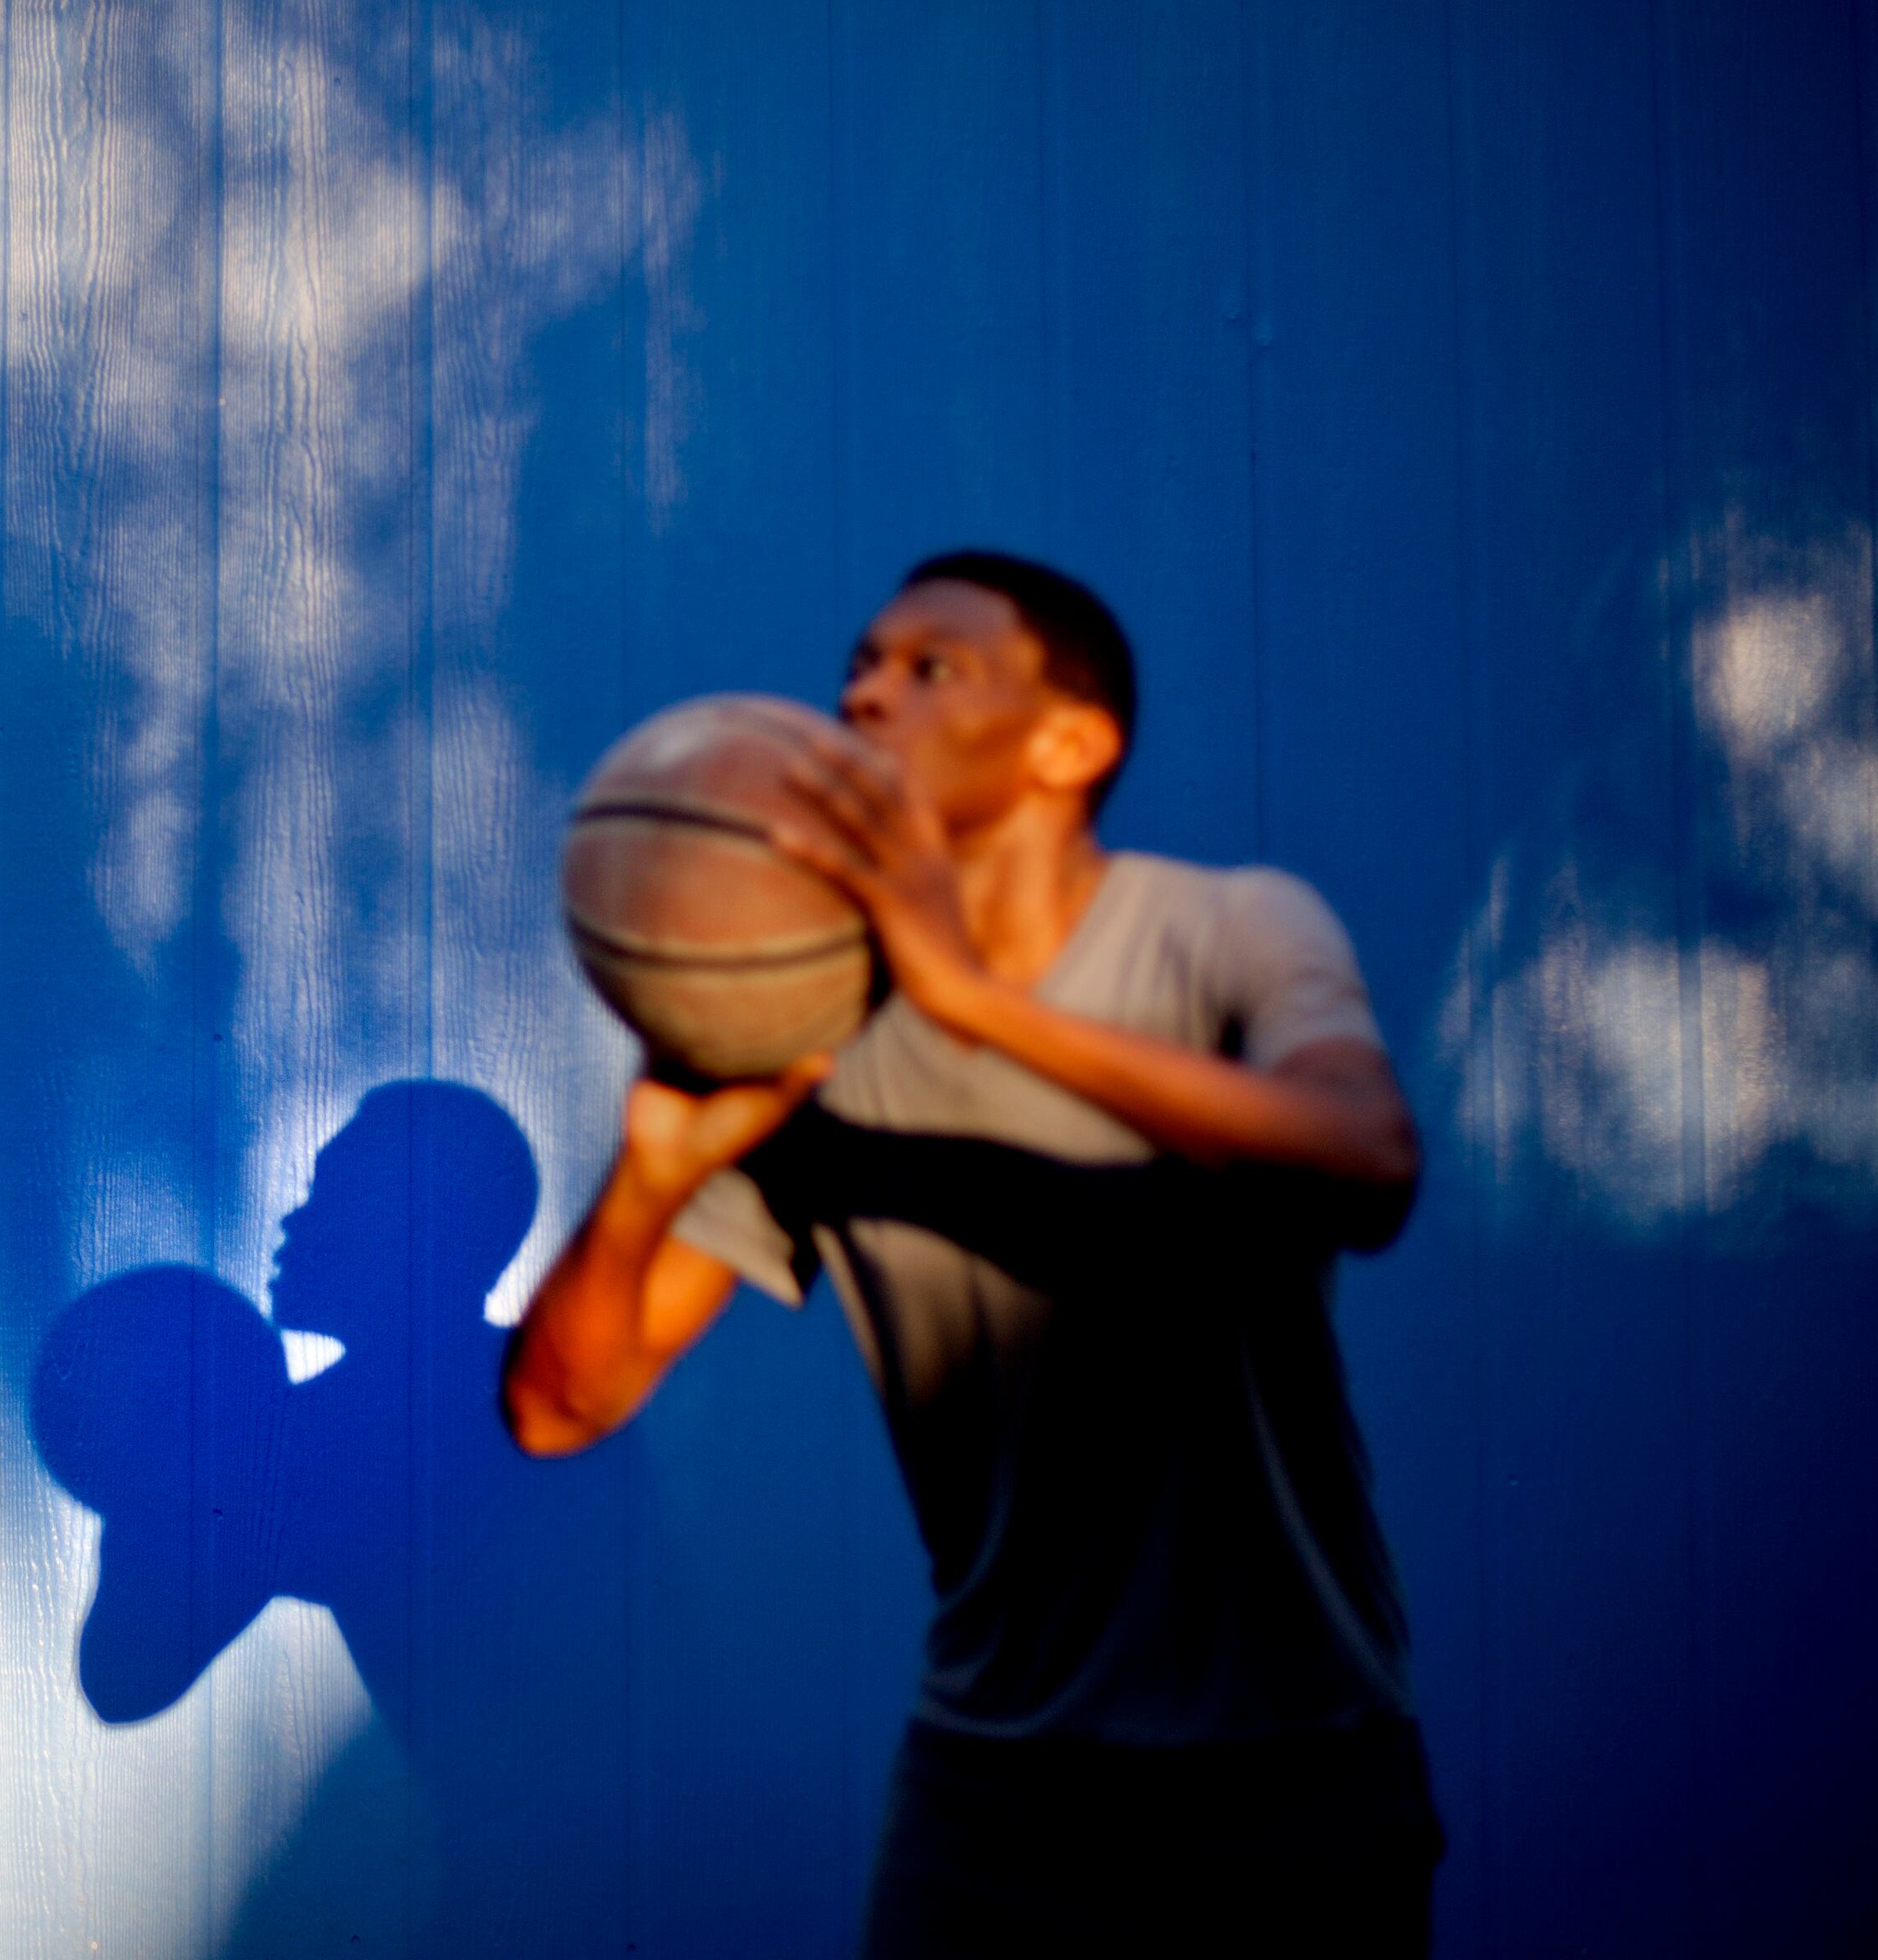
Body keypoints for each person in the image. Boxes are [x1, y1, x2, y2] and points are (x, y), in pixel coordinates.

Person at [501, 550, 1443, 1955]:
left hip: (1288, 1761)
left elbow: (1367, 1162)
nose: (869, 694)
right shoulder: (809, 1043)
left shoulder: (1232, 924)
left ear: (1073, 742)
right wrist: (644, 1182)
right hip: (993, 1783)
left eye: (930, 668)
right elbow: (558, 1409)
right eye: (860, 668)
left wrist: (976, 1004)